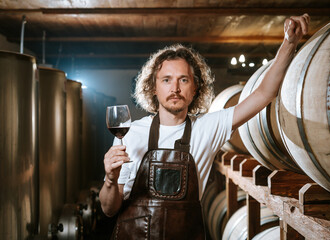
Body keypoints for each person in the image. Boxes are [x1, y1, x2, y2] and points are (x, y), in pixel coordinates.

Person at [99, 13, 310, 239]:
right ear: (153, 87)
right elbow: (109, 209)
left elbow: (264, 93)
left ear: (195, 89)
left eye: (184, 80)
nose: (175, 88)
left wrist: (289, 43)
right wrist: (111, 179)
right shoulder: (132, 134)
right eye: (166, 80)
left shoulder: (208, 128)